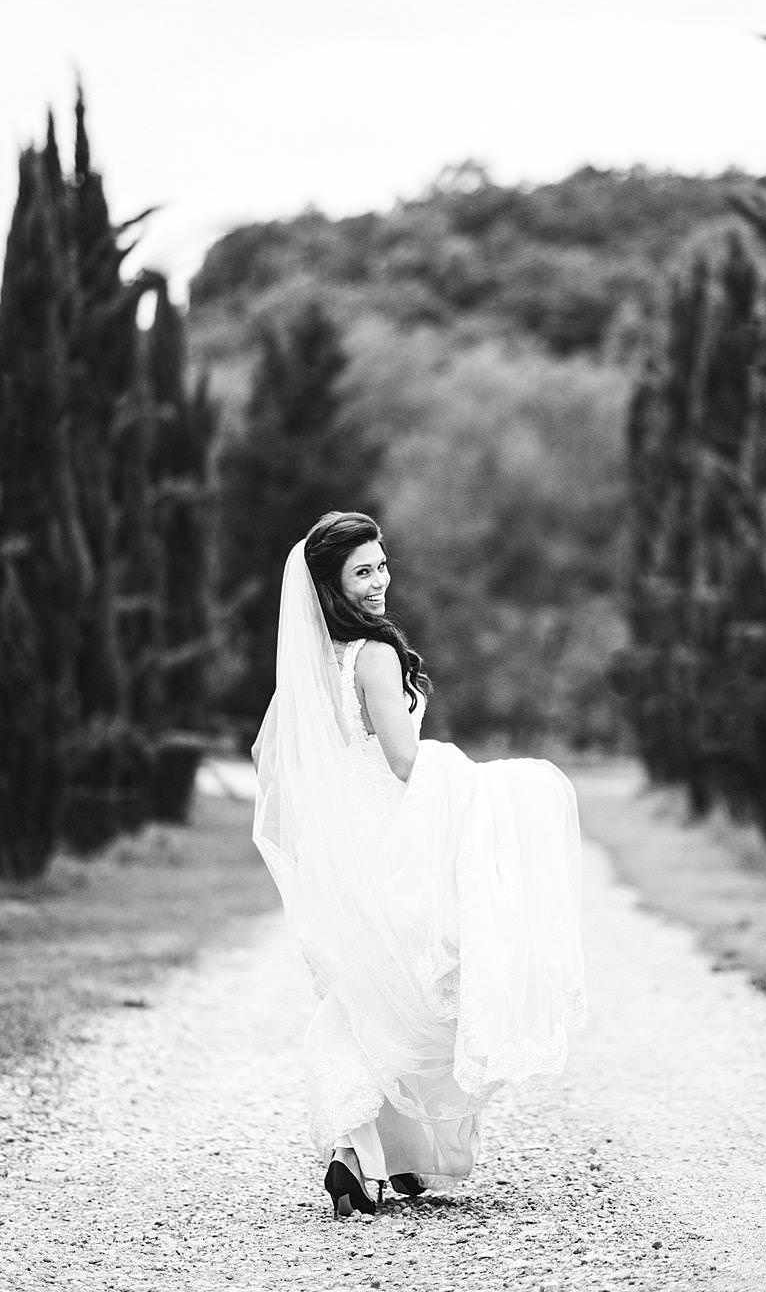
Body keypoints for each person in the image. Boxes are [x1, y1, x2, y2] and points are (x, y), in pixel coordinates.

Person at [251, 511, 587, 1216]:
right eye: (362, 572)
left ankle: (376, 1156)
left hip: (341, 846)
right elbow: (405, 762)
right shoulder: (373, 655)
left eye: (382, 565)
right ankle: (364, 1153)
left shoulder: (313, 663)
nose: (379, 582)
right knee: (420, 996)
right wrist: (493, 784)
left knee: (368, 996)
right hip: (394, 840)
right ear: (331, 584)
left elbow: (284, 761)